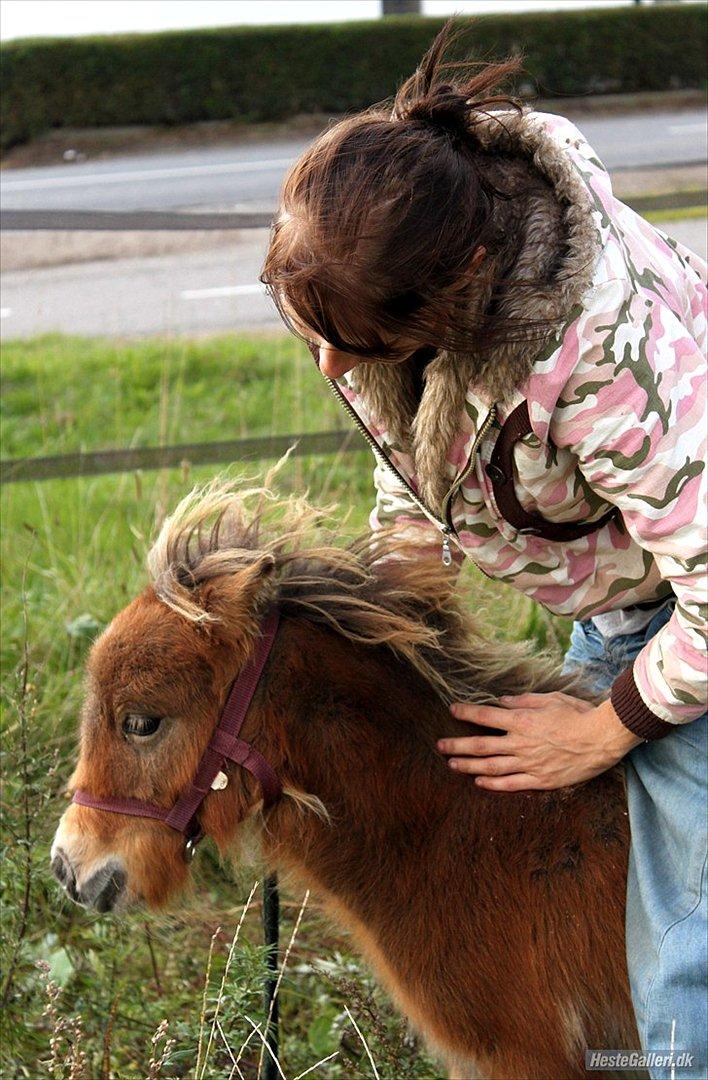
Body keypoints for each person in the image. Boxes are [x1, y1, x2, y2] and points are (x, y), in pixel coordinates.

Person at [261, 25, 707, 1078]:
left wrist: (602, 729)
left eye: (358, 340)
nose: (330, 365)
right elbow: (413, 445)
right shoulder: (384, 242)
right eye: (309, 328)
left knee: (680, 968)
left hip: (689, 612)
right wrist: (385, 628)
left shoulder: (607, 361)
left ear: (460, 289)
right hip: (627, 598)